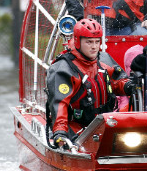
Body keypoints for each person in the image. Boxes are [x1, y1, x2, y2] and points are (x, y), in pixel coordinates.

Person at [45, 18, 136, 149]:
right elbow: (60, 104)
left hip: (105, 124)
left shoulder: (103, 59)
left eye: (96, 41)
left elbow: (117, 82)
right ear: (77, 41)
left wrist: (128, 86)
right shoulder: (63, 69)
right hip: (76, 128)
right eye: (89, 42)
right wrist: (60, 131)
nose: (94, 46)